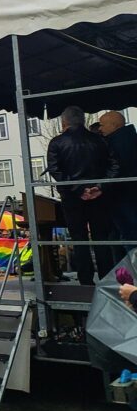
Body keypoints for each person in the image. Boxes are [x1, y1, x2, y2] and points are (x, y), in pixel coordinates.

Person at [48, 105, 119, 285]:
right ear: (83, 120)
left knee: (79, 238)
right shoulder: (99, 140)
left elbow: (56, 170)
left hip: (72, 197)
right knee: (101, 237)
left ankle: (85, 279)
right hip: (99, 196)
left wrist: (79, 189)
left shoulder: (57, 143)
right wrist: (100, 186)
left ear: (64, 122)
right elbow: (114, 165)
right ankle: (106, 278)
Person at [100, 111, 137, 257]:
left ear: (114, 125)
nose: (100, 129)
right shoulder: (131, 139)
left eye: (102, 125)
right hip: (128, 194)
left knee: (128, 235)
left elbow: (115, 168)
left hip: (121, 196)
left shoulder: (113, 144)